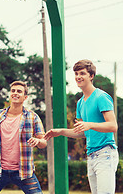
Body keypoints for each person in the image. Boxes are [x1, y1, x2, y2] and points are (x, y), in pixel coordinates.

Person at [44, 59, 118, 194]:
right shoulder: (80, 103)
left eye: (82, 73)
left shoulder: (101, 97)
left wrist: (89, 124)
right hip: (91, 155)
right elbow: (81, 131)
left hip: (105, 153)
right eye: (76, 74)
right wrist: (60, 131)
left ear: (91, 76)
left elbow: (113, 126)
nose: (78, 77)